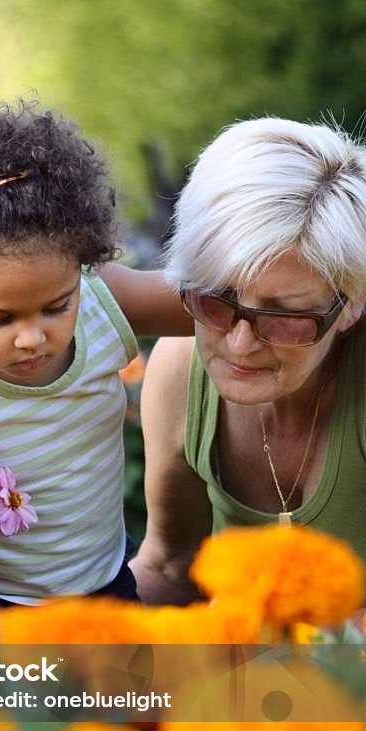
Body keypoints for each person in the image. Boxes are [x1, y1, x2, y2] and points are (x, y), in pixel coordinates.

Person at [0, 98, 191, 606]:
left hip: (108, 581)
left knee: (136, 688)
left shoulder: (101, 300)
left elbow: (211, 305)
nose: (32, 338)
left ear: (82, 268)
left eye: (56, 306)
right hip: (2, 606)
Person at [131, 116, 366, 606]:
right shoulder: (179, 370)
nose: (238, 345)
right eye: (215, 299)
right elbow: (171, 564)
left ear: (352, 307)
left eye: (284, 317)